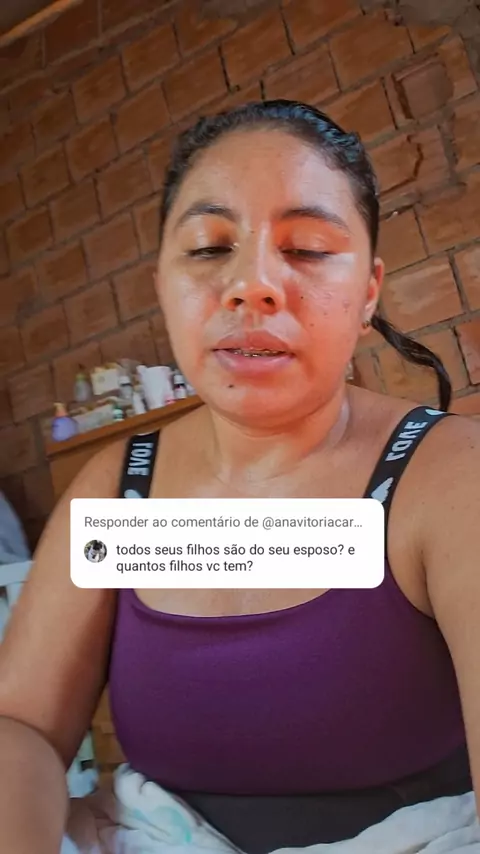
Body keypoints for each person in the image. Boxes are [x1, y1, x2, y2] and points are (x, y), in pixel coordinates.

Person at [0, 100, 478, 854]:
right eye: (208, 247)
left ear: (369, 292)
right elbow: (20, 724)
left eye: (309, 248)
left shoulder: (448, 476)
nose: (252, 285)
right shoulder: (123, 487)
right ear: (161, 282)